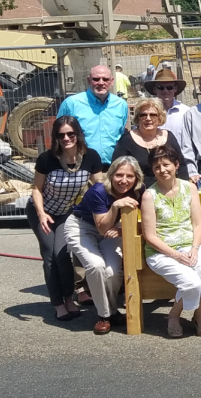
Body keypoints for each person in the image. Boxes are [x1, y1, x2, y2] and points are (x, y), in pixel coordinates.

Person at [28, 117, 103, 321]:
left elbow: (100, 187)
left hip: (66, 213)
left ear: (78, 135)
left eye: (70, 134)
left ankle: (69, 299)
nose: (66, 138)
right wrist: (42, 214)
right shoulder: (47, 159)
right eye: (61, 135)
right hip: (41, 211)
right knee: (50, 255)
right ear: (56, 137)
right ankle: (58, 303)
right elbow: (36, 189)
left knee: (63, 255)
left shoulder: (91, 157)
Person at [141, 145, 201, 338]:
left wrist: (194, 248)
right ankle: (174, 315)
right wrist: (176, 255)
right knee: (191, 282)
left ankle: (199, 315)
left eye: (166, 164)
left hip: (190, 246)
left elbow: (198, 223)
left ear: (176, 165)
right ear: (152, 169)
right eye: (157, 167)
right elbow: (149, 236)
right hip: (161, 252)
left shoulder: (190, 187)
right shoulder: (148, 196)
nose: (162, 170)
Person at [64, 156, 143, 334]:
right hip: (82, 226)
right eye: (119, 175)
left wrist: (123, 231)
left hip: (114, 228)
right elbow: (102, 228)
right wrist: (115, 206)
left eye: (129, 176)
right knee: (96, 265)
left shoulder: (139, 190)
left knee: (112, 272)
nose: (124, 181)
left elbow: (147, 220)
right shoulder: (98, 191)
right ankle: (104, 315)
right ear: (111, 175)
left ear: (137, 178)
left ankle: (112, 310)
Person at [57, 64, 128, 165]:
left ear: (111, 81)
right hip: (80, 169)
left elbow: (121, 135)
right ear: (88, 80)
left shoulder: (121, 105)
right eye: (96, 79)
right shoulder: (71, 104)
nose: (101, 83)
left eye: (105, 79)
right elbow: (57, 135)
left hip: (112, 169)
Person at [113, 99, 188, 187]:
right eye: (143, 115)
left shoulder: (169, 136)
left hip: (168, 190)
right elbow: (116, 169)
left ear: (160, 117)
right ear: (138, 117)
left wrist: (184, 189)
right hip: (138, 192)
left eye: (153, 115)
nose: (148, 118)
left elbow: (181, 165)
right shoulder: (126, 140)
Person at [146, 68, 190, 137]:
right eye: (161, 87)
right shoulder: (146, 113)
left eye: (170, 87)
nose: (165, 91)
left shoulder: (186, 112)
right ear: (154, 89)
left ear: (175, 88)